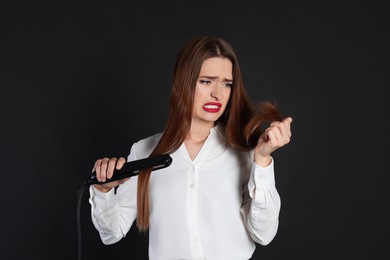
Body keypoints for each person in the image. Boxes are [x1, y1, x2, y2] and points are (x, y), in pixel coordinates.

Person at [89, 36, 293, 260]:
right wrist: (103, 190)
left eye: (227, 84)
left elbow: (263, 234)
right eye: (206, 81)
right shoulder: (145, 151)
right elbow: (111, 233)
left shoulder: (244, 150)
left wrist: (262, 160)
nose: (218, 93)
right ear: (184, 82)